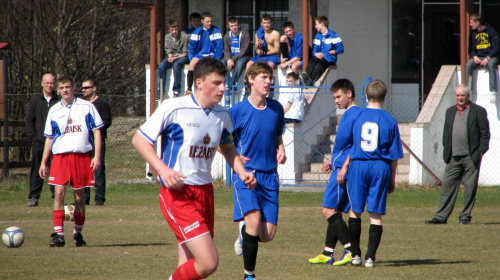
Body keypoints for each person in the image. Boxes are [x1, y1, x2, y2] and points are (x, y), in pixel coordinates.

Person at [132, 57, 256, 280]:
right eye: (217, 83)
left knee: (189, 263)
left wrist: (242, 171)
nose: (223, 88)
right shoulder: (174, 107)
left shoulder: (222, 115)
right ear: (199, 83)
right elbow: (140, 140)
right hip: (178, 193)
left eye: (224, 83)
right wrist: (162, 169)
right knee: (208, 262)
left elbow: (227, 148)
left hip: (205, 193)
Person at [230, 62, 286, 280]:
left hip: (270, 177)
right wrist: (235, 156)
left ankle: (244, 234)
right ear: (250, 79)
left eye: (269, 77)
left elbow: (278, 136)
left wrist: (280, 149)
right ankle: (249, 276)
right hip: (247, 175)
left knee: (267, 234)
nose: (268, 81)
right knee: (253, 222)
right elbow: (223, 141)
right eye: (263, 77)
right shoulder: (238, 111)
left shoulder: (276, 108)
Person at [343, 80, 403, 268]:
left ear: (366, 96)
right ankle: (370, 257)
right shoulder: (390, 120)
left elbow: (351, 145)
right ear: (384, 98)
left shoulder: (357, 116)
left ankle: (355, 255)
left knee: (355, 211)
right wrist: (392, 179)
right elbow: (394, 156)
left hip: (359, 164)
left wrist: (345, 167)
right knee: (375, 214)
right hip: (380, 166)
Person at [39, 74, 103, 247]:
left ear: (73, 88)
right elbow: (49, 138)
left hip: (81, 157)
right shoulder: (54, 110)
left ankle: (78, 233)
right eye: (61, 88)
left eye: (67, 87)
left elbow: (97, 132)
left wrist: (96, 156)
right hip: (60, 158)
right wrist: (44, 162)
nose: (65, 90)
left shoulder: (86, 106)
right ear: (58, 90)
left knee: (79, 198)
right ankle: (59, 235)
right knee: (58, 193)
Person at [308, 78, 359, 266]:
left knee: (328, 210)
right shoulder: (349, 114)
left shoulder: (354, 115)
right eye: (334, 97)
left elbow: (356, 146)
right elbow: (347, 146)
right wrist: (334, 161)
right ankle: (328, 253)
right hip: (340, 166)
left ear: (349, 94)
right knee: (335, 210)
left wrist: (343, 166)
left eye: (338, 96)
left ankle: (349, 249)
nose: (336, 100)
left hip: (343, 171)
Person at [426, 84, 490, 225]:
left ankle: (465, 217)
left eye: (462, 95)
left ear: (468, 96)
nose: (460, 98)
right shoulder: (450, 112)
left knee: (469, 188)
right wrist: (446, 150)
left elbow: (485, 134)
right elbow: (446, 134)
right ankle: (441, 217)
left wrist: (480, 152)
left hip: (471, 157)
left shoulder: (478, 111)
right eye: (457, 95)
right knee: (447, 187)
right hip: (453, 157)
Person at [25, 73, 59, 207]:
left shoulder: (59, 100)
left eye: (52, 83)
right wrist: (33, 137)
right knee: (37, 169)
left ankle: (56, 194)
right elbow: (29, 120)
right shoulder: (35, 101)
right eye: (47, 83)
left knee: (56, 169)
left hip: (56, 143)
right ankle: (34, 196)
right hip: (39, 142)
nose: (49, 85)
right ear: (42, 84)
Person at [82, 78, 112, 206]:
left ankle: (99, 198)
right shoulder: (82, 104)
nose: (84, 90)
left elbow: (107, 121)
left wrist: (94, 128)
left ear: (94, 88)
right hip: (84, 140)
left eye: (87, 88)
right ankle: (84, 198)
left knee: (98, 169)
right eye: (83, 88)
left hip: (98, 139)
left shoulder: (102, 103)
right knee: (84, 169)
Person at [186, 12, 224, 95]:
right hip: (200, 54)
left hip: (212, 55)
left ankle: (212, 89)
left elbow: (219, 47)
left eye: (211, 21)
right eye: (208, 21)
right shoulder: (197, 31)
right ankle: (189, 89)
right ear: (202, 21)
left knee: (211, 68)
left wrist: (216, 59)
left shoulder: (216, 30)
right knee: (192, 64)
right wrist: (192, 58)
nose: (210, 23)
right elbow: (192, 47)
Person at [465, 13, 499, 103]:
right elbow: (471, 49)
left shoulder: (491, 31)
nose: (470, 24)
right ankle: (468, 90)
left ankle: (493, 91)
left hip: (491, 56)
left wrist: (488, 58)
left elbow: (496, 48)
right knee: (468, 65)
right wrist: (474, 56)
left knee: (491, 65)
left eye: (471, 22)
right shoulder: (473, 33)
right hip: (478, 56)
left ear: (477, 22)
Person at [300, 16, 344, 86]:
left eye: (316, 24)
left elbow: (341, 49)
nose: (315, 26)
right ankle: (306, 76)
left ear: (322, 24)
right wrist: (316, 54)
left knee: (319, 66)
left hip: (329, 59)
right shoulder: (317, 36)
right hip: (319, 57)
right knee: (312, 61)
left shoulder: (333, 35)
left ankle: (310, 81)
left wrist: (332, 52)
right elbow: (314, 50)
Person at [158, 20, 190, 97]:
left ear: (178, 28)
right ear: (169, 30)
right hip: (173, 57)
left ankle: (176, 90)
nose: (174, 32)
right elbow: (168, 50)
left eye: (176, 29)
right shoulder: (167, 37)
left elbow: (185, 53)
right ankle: (161, 90)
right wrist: (170, 57)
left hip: (183, 57)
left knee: (176, 65)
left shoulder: (184, 36)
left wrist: (175, 58)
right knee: (162, 65)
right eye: (172, 30)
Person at [223, 17, 251, 92]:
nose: (234, 28)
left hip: (243, 56)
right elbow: (226, 50)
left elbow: (244, 50)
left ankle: (231, 85)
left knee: (239, 63)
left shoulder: (245, 34)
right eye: (231, 26)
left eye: (235, 25)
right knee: (222, 62)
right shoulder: (227, 35)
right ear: (229, 26)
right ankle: (227, 83)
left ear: (238, 25)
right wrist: (228, 59)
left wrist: (233, 59)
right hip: (231, 56)